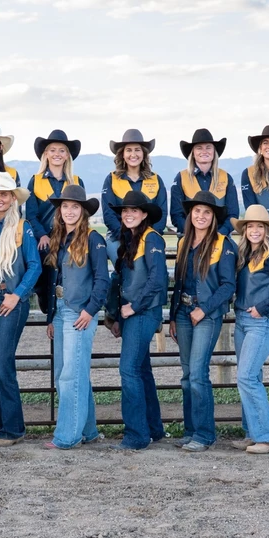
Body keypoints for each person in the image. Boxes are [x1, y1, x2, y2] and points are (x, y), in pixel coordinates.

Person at [41, 184, 109, 450]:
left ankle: (68, 436)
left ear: (83, 211)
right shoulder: (58, 237)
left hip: (80, 312)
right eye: (65, 206)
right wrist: (51, 317)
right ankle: (89, 431)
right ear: (59, 211)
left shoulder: (94, 239)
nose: (69, 211)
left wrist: (90, 310)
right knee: (67, 372)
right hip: (60, 311)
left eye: (75, 207)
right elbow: (53, 279)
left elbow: (103, 279)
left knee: (71, 376)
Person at [168, 191, 236, 452]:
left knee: (197, 373)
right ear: (190, 215)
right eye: (197, 211)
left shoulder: (223, 244)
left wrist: (203, 309)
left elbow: (228, 285)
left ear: (213, 217)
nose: (201, 216)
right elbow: (179, 282)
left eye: (207, 212)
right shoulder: (184, 242)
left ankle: (205, 434)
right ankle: (191, 431)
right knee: (187, 376)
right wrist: (174, 315)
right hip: (184, 313)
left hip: (206, 315)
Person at [0, 172, 42, 447]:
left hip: (10, 301)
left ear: (13, 198)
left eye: (4, 194)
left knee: (2, 363)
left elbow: (35, 266)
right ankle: (1, 426)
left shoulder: (22, 227)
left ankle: (13, 429)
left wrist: (17, 296)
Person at [107, 191, 168, 452]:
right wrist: (117, 313)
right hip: (133, 312)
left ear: (144, 214)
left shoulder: (151, 238)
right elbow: (121, 281)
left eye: (134, 210)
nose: (128, 214)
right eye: (124, 211)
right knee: (141, 371)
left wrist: (134, 307)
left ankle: (136, 435)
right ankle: (153, 429)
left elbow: (157, 279)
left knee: (128, 370)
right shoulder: (132, 240)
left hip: (142, 312)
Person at [230, 205, 269, 455]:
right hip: (242, 322)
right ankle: (252, 433)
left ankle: (267, 436)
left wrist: (263, 307)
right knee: (251, 377)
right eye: (250, 226)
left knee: (245, 376)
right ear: (245, 230)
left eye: (259, 226)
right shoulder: (243, 255)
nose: (254, 230)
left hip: (261, 322)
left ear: (266, 230)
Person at [24, 129, 84, 313]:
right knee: (43, 268)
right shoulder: (35, 181)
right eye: (52, 150)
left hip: (69, 237)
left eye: (61, 150)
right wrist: (42, 235)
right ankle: (46, 303)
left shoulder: (76, 181)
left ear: (67, 156)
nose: (57, 154)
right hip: (45, 239)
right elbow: (31, 215)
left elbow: (82, 212)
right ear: (46, 154)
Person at [100, 129, 167, 260]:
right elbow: (109, 215)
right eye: (129, 150)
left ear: (143, 153)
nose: (133, 154)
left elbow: (162, 212)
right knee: (125, 268)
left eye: (137, 150)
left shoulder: (156, 180)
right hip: (118, 237)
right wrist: (127, 237)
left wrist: (150, 236)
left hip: (149, 236)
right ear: (122, 154)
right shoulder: (112, 179)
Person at [170, 129, 237, 237]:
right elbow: (176, 215)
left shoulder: (226, 177)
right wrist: (194, 234)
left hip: (220, 237)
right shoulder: (181, 177)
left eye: (208, 147)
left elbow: (233, 214)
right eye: (199, 148)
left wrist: (218, 234)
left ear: (214, 151)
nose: (204, 151)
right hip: (189, 237)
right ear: (193, 152)